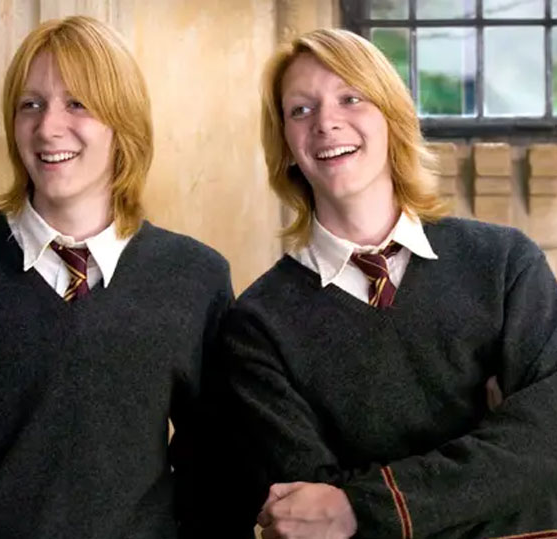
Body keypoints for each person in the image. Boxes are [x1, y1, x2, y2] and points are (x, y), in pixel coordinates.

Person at [0, 15, 234, 539]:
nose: (47, 128)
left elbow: (214, 477)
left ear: (123, 122)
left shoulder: (195, 277)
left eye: (77, 104)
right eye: (30, 105)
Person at [219, 28, 557, 538]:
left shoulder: (504, 264)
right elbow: (311, 514)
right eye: (301, 110)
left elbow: (547, 438)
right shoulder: (257, 325)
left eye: (350, 98)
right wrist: (492, 466)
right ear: (285, 143)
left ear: (392, 118)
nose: (326, 123)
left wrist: (358, 507)